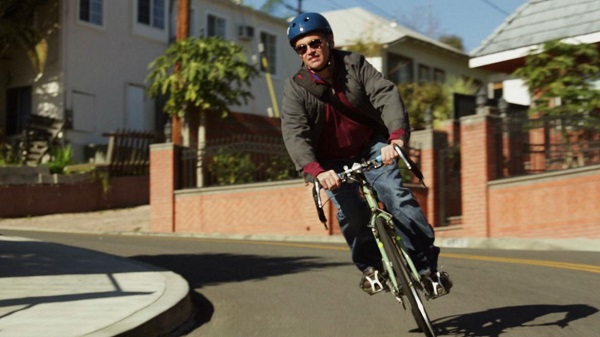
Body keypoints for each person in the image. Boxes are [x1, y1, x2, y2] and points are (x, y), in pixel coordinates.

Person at [281, 12, 452, 297]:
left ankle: (427, 270)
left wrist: (395, 138)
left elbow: (385, 94)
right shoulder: (295, 88)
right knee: (351, 214)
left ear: (329, 41)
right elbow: (294, 132)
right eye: (302, 48)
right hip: (331, 164)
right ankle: (371, 269)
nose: (310, 50)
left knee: (397, 198)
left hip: (370, 146)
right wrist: (316, 171)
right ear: (298, 54)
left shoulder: (354, 64)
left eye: (315, 43)